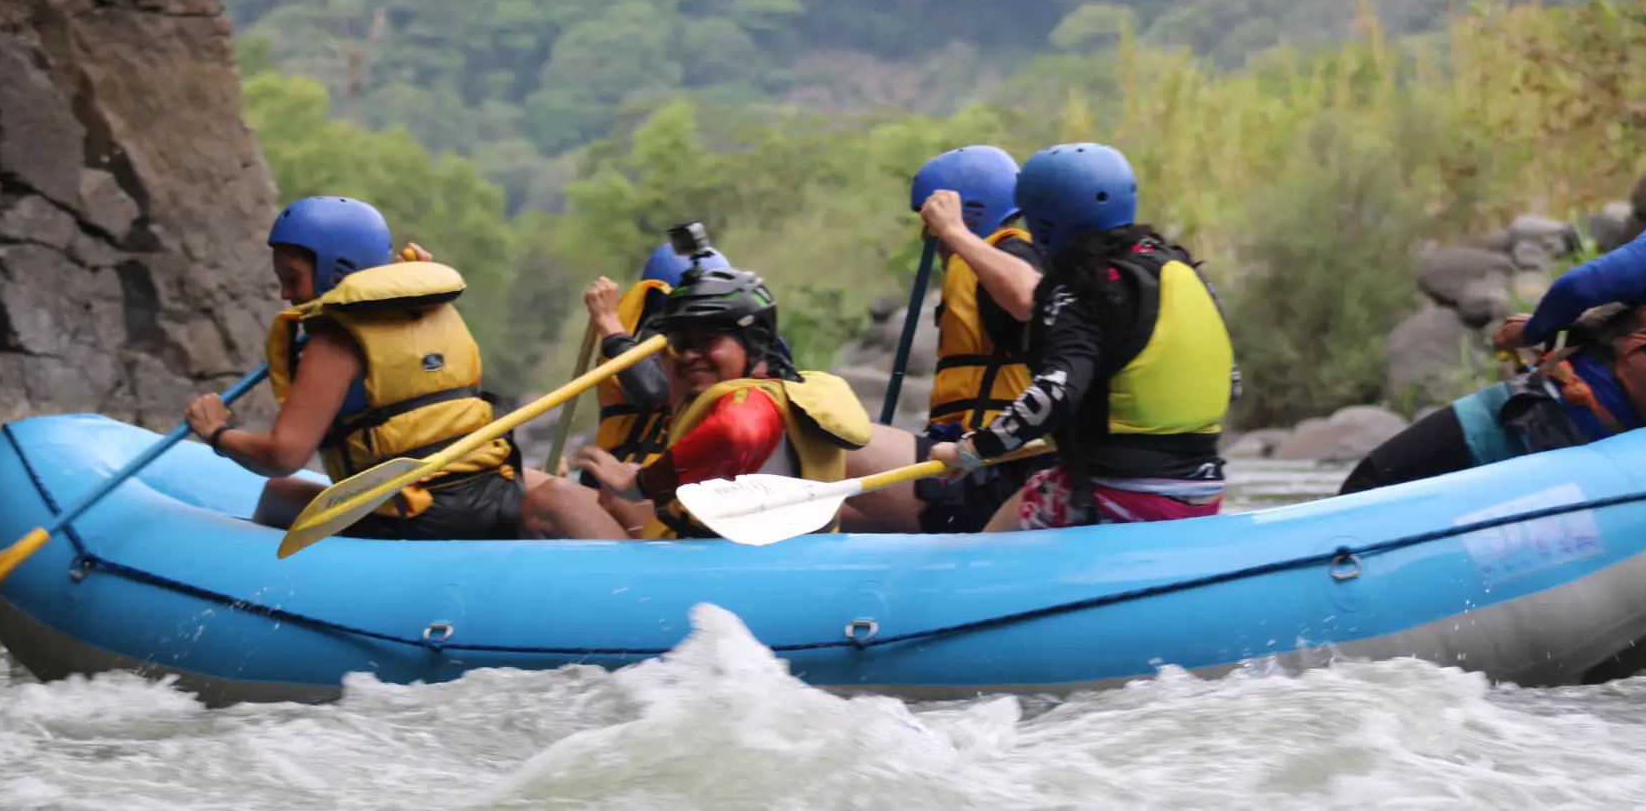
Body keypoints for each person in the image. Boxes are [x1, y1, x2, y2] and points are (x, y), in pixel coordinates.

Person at [1341, 151, 1646, 493]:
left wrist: (1532, 330)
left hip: (1557, 415)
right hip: (1639, 466)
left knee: (1372, 481)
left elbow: (1579, 287)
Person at [929, 143, 1239, 530]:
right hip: (1204, 490)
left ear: (1045, 223)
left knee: (1017, 511)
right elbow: (1231, 383)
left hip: (1116, 492)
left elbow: (1055, 394)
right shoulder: (1183, 270)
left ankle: (982, 568)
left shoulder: (1081, 289)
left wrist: (972, 450)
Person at [184, 196, 524, 540]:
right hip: (494, 490)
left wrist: (217, 432)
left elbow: (283, 455)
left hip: (410, 515)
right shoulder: (431, 309)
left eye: (292, 278)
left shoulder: (335, 343)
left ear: (334, 273)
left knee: (279, 492)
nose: (285, 293)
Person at [521, 265, 872, 540]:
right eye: (681, 343)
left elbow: (737, 433)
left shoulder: (755, 401)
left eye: (708, 341)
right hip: (746, 555)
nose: (690, 355)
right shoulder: (787, 389)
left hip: (745, 575)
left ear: (754, 343)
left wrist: (640, 482)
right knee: (612, 498)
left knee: (551, 498)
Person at [842, 145, 1049, 534]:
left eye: (931, 221)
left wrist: (954, 232)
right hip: (963, 455)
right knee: (829, 508)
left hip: (996, 467)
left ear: (969, 213)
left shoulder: (1012, 255)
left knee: (821, 441)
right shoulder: (980, 266)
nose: (927, 235)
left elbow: (1029, 299)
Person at [572, 240, 728, 536]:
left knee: (554, 494)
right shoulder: (655, 341)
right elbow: (653, 389)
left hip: (671, 500)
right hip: (636, 488)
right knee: (539, 487)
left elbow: (653, 391)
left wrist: (610, 326)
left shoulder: (736, 354)